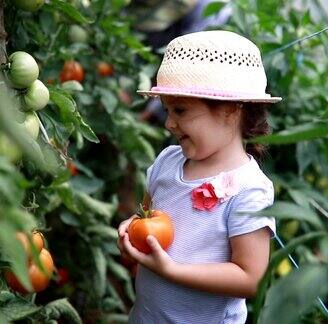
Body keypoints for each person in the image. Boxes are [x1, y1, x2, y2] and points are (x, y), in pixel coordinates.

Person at [117, 30, 282, 323]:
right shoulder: (168, 161)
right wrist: (133, 231)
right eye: (166, 109)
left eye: (180, 110)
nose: (168, 123)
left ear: (230, 110)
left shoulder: (249, 189)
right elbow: (146, 215)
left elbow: (250, 277)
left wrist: (171, 270)